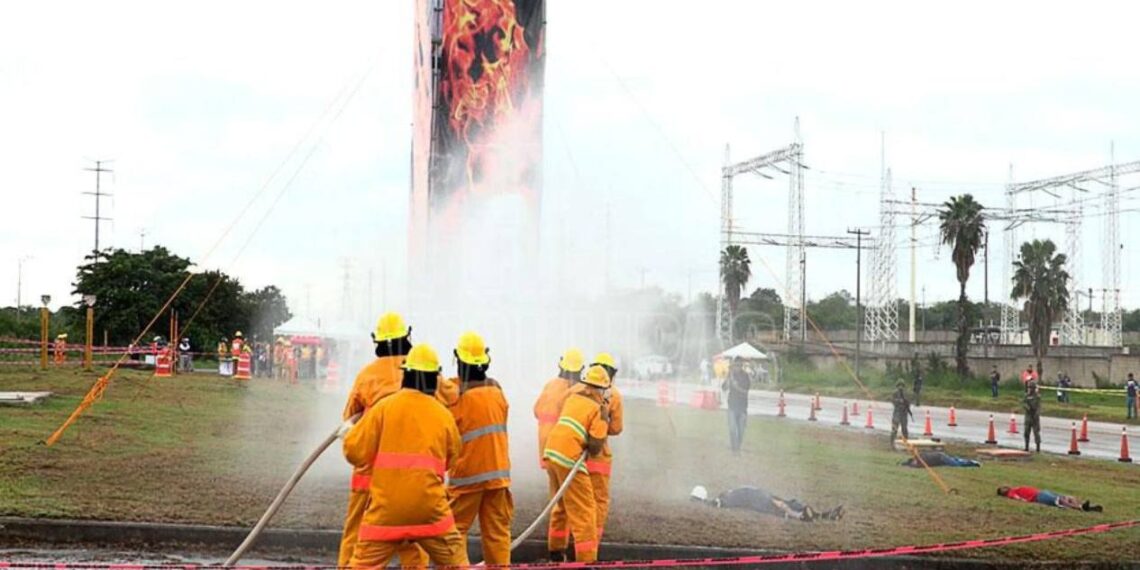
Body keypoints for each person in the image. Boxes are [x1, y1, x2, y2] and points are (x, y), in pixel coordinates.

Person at [342, 343, 469, 568]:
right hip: (431, 515)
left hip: (385, 515)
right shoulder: (443, 415)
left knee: (361, 565)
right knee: (457, 563)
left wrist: (349, 433)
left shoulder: (383, 408)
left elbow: (354, 452)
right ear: (433, 380)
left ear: (406, 375)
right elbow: (452, 458)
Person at [337, 312, 426, 569]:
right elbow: (447, 401)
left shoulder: (367, 375)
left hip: (369, 472)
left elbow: (349, 418)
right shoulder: (421, 370)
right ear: (406, 337)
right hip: (410, 475)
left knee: (357, 530)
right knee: (412, 536)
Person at [436, 331, 513, 566]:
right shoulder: (496, 390)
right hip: (498, 476)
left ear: (458, 361)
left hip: (467, 478)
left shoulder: (454, 395)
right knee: (497, 534)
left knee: (453, 532)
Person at [542, 364, 610, 563]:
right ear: (600, 389)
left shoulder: (572, 398)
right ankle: (587, 561)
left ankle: (556, 552)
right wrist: (604, 420)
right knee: (585, 512)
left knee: (561, 504)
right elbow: (596, 447)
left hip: (551, 452)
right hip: (569, 458)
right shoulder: (598, 409)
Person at [585, 352, 623, 543]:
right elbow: (616, 428)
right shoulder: (614, 394)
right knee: (599, 500)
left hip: (576, 454)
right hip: (599, 456)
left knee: (578, 500)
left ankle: (569, 540)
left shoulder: (578, 390)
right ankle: (592, 542)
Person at [534, 348, 584, 467]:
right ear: (581, 369)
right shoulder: (577, 390)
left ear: (561, 366)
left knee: (554, 480)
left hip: (545, 443)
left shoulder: (550, 384)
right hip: (561, 445)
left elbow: (536, 411)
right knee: (567, 482)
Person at [690, 485, 843, 522]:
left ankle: (801, 515)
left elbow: (715, 503)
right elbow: (716, 503)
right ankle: (821, 515)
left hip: (759, 498)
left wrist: (700, 502)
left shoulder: (727, 498)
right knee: (784, 503)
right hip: (760, 494)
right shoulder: (731, 493)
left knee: (781, 506)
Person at [723, 357, 751, 455]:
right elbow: (724, 388)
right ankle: (734, 449)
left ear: (741, 366)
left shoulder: (745, 376)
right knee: (732, 428)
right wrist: (728, 379)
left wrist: (736, 385)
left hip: (742, 407)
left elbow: (745, 390)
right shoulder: (731, 375)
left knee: (741, 430)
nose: (737, 367)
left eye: (739, 365)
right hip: (732, 406)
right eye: (736, 365)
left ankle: (738, 446)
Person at [997, 486, 1103, 512]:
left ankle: (1084, 506)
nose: (1005, 487)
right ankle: (1080, 507)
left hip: (1041, 492)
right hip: (1038, 496)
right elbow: (1018, 498)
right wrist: (1028, 501)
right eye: (1003, 489)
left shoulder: (1014, 488)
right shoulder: (1011, 493)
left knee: (1066, 497)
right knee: (1060, 500)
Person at [890, 380, 913, 449]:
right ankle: (892, 444)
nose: (901, 387)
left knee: (904, 429)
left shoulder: (906, 394)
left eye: (902, 385)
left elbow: (908, 403)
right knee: (894, 429)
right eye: (899, 385)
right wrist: (899, 401)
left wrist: (906, 403)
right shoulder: (895, 393)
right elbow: (893, 401)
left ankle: (905, 443)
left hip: (904, 413)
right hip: (897, 413)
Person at [1023, 380, 1042, 453]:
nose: (1030, 389)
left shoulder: (1037, 397)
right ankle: (1026, 447)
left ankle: (1038, 448)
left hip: (1035, 418)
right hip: (1028, 417)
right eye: (1029, 387)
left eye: (1031, 388)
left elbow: (1039, 406)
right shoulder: (1026, 396)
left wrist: (1036, 414)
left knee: (1036, 433)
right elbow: (1024, 403)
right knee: (1026, 432)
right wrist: (1027, 407)